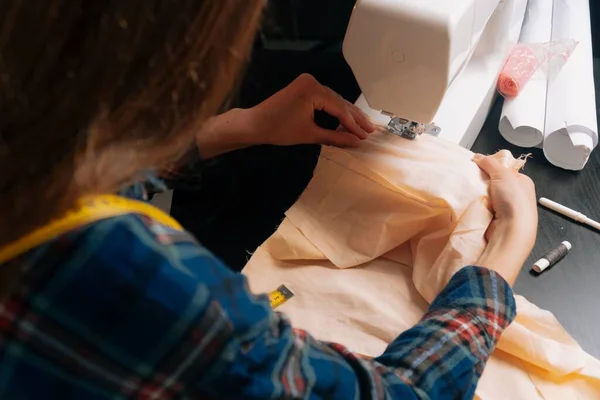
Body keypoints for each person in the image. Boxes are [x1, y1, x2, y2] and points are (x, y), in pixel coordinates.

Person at [0, 1, 537, 399]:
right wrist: (501, 255)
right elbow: (400, 393)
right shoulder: (124, 273)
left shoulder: (28, 156)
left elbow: (66, 176)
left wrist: (239, 127)